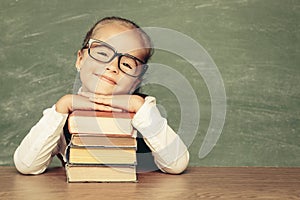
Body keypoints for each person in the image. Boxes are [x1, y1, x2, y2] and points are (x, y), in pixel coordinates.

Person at [13, 16, 189, 175]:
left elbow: (177, 164)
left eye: (127, 65)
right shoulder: (63, 114)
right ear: (80, 59)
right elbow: (26, 165)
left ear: (137, 80)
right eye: (102, 53)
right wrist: (61, 108)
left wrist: (138, 107)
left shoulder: (143, 109)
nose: (112, 67)